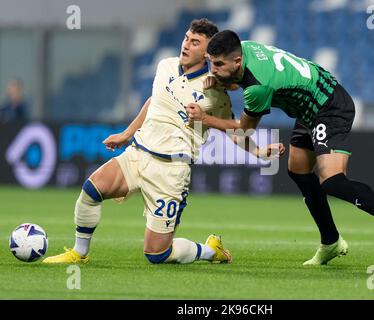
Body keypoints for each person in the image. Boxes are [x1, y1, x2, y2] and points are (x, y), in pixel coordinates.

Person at [43, 20, 283, 265]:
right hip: (139, 154)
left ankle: (211, 250)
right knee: (91, 190)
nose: (186, 45)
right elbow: (154, 100)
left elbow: (234, 131)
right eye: (186, 38)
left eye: (195, 42)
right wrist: (127, 134)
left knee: (157, 254)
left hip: (171, 171)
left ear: (207, 53)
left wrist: (260, 152)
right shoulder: (165, 65)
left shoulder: (215, 94)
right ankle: (79, 253)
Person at [186, 30, 374, 268]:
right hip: (309, 105)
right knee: (298, 170)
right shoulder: (244, 48)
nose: (212, 69)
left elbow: (243, 130)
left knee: (332, 181)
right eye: (210, 63)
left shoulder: (258, 87)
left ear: (236, 60)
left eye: (217, 64)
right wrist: (220, 80)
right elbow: (237, 78)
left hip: (329, 106)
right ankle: (331, 241)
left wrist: (205, 119)